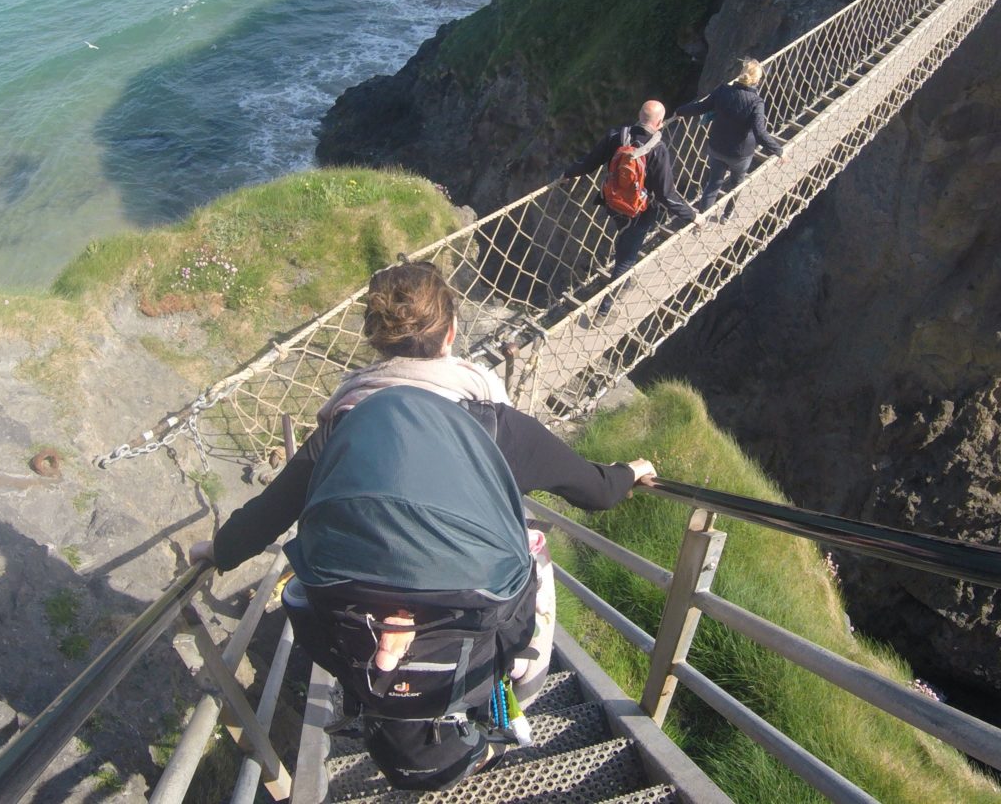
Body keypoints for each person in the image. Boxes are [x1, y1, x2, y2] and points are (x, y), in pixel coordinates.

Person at [191, 262, 656, 787]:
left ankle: (387, 660)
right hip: (471, 609)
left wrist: (218, 551)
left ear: (375, 341)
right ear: (452, 334)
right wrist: (630, 472)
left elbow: (269, 514)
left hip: (352, 610)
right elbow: (595, 491)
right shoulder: (495, 425)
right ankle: (515, 688)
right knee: (534, 551)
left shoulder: (342, 423)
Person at [560, 100, 696, 318]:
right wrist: (692, 217)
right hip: (640, 212)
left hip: (613, 203)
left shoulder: (618, 136)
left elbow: (590, 162)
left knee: (624, 238)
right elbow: (665, 194)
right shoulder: (658, 149)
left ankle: (625, 276)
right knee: (626, 260)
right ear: (660, 122)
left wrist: (568, 173)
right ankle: (604, 310)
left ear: (639, 115)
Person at [670, 57, 785, 220]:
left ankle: (702, 219)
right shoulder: (756, 102)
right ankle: (726, 215)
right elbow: (759, 132)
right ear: (757, 80)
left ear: (741, 74)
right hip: (740, 154)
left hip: (717, 147)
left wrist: (679, 111)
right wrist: (779, 150)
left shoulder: (723, 91)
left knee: (713, 184)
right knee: (737, 185)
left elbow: (701, 107)